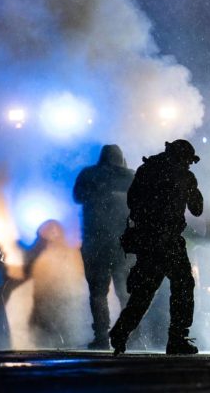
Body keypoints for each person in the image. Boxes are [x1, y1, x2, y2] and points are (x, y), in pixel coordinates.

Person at [109, 139, 203, 356]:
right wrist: (191, 188)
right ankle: (177, 337)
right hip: (168, 241)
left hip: (148, 240)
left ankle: (121, 332)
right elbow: (197, 209)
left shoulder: (147, 170)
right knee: (183, 286)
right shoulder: (184, 176)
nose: (189, 165)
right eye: (189, 161)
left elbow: (132, 202)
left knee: (145, 291)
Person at [73, 144, 135, 350]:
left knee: (98, 292)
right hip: (123, 244)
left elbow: (77, 197)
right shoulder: (130, 176)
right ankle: (129, 336)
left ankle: (101, 335)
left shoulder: (89, 174)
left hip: (95, 242)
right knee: (125, 291)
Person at [20, 220, 88, 349]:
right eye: (45, 239)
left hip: (65, 319)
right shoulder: (40, 259)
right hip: (47, 319)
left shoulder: (72, 256)